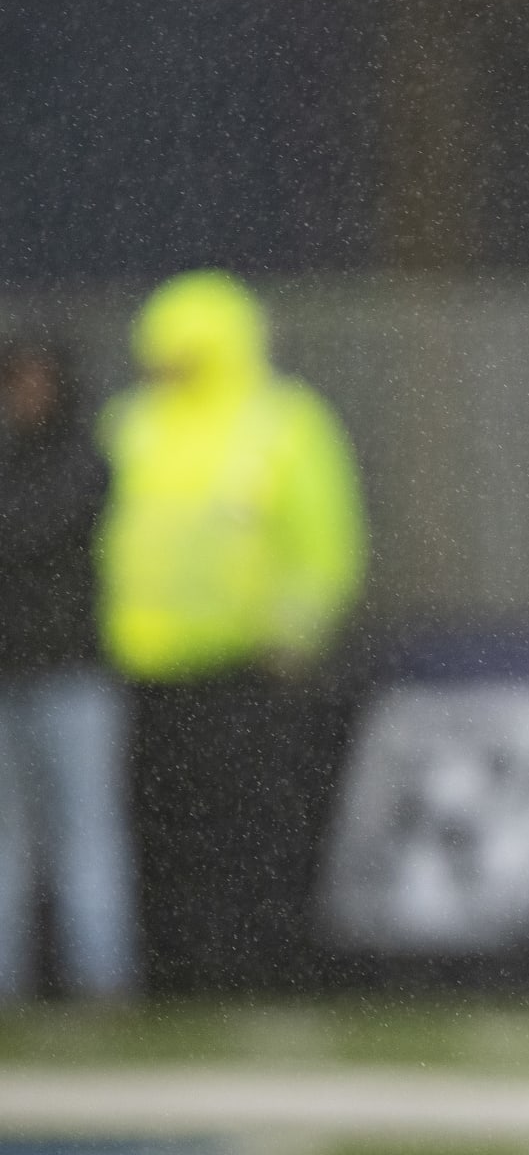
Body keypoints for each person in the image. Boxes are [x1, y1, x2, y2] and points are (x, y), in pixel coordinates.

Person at [96, 270, 366, 994]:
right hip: (142, 669)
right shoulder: (132, 423)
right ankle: (173, 971)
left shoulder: (280, 421)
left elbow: (325, 541)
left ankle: (254, 969)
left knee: (251, 830)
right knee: (160, 832)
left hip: (245, 668)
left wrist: (296, 636)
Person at [0, 335, 136, 1001]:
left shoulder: (81, 459)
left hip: (70, 672)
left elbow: (37, 529)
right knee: (10, 842)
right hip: (11, 672)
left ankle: (100, 984)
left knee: (86, 835)